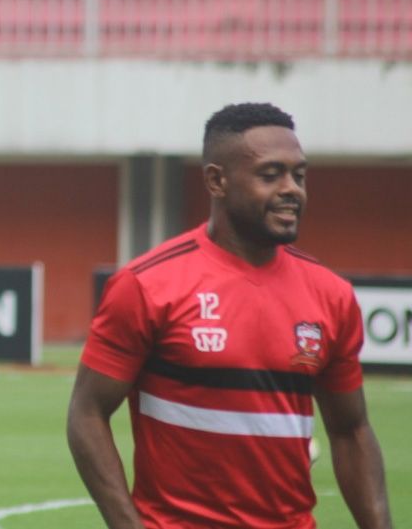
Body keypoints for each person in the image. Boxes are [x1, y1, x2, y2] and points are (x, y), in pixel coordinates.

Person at [67, 102, 392, 529]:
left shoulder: (330, 295)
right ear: (217, 181)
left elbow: (351, 431)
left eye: (299, 174)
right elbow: (87, 414)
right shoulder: (147, 285)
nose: (291, 189)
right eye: (270, 174)